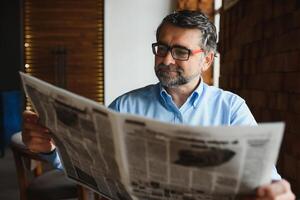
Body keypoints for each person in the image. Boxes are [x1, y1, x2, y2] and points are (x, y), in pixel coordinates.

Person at [22, 10, 295, 200]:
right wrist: (50, 149)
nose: (166, 60)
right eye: (162, 48)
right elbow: (92, 162)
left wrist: (273, 191)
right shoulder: (126, 105)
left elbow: (264, 177)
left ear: (207, 60)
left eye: (181, 52)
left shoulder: (231, 108)